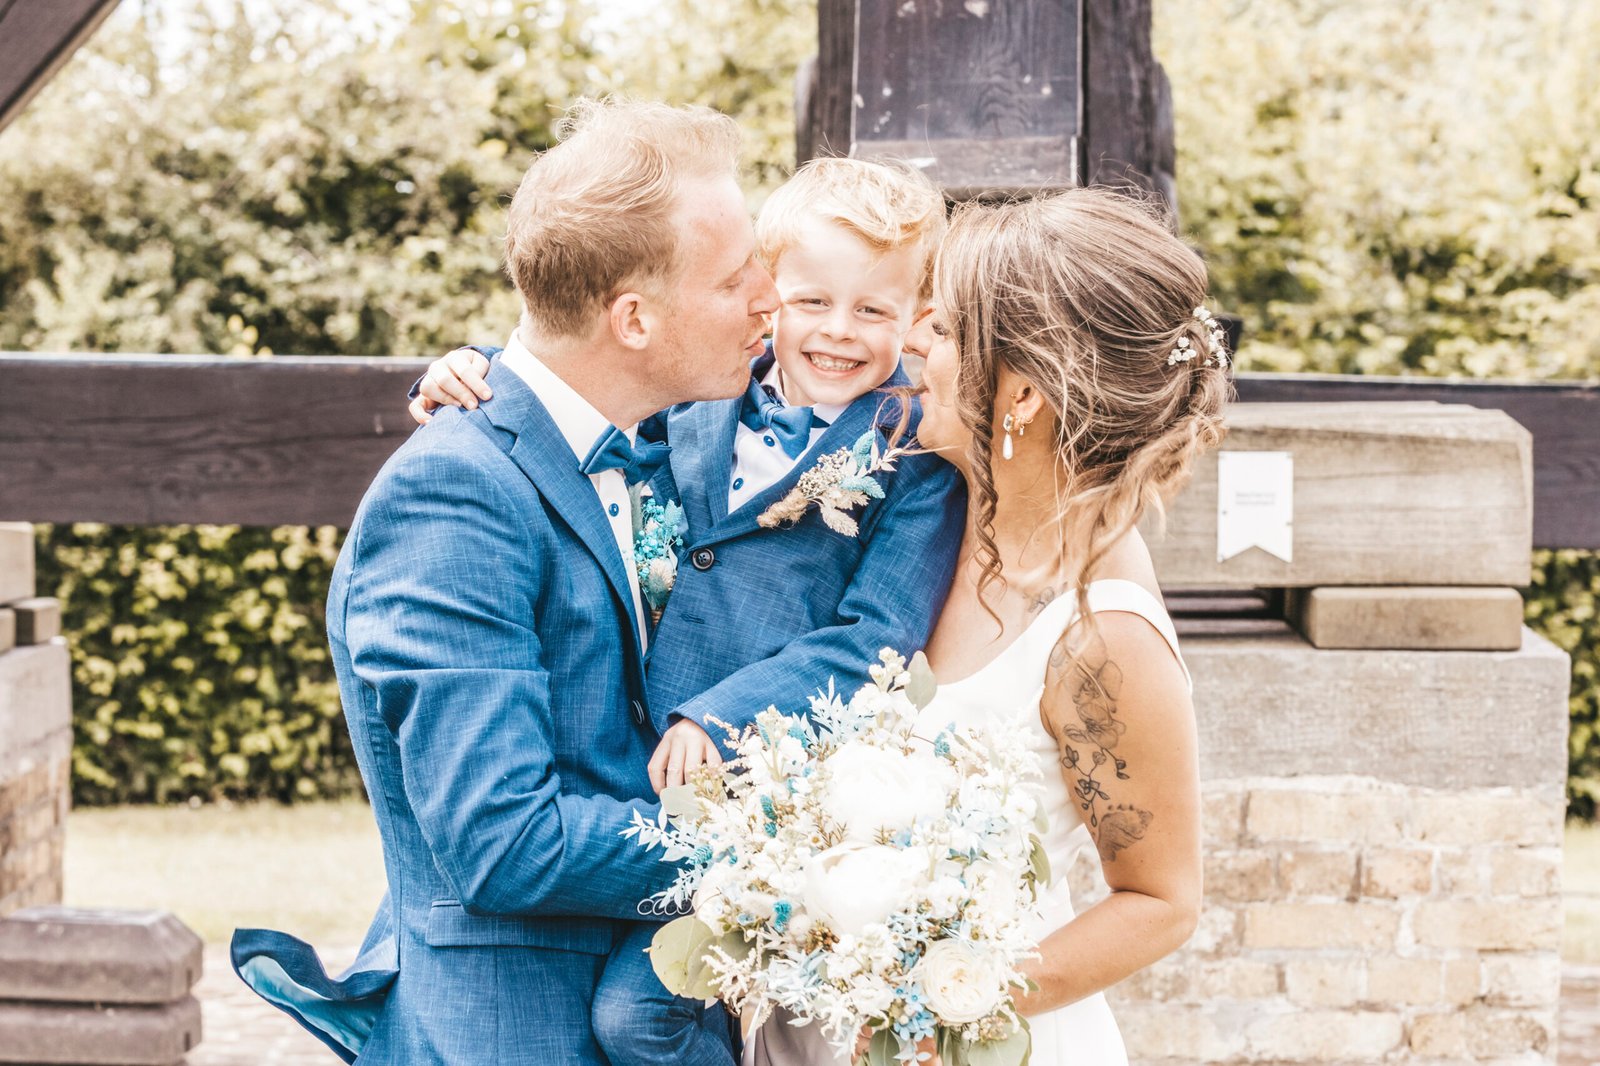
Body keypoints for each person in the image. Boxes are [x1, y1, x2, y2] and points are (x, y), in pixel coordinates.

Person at [229, 97, 782, 1065]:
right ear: (634, 318)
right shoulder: (453, 496)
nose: (770, 299)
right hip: (514, 1031)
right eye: (737, 278)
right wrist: (778, 857)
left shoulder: (654, 438)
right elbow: (505, 841)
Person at [409, 155, 967, 1066]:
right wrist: (471, 373)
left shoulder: (914, 456)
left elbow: (877, 639)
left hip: (759, 793)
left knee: (637, 1017)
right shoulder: (703, 391)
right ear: (768, 297)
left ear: (915, 317)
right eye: (812, 300)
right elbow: (583, 387)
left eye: (874, 309)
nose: (839, 330)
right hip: (616, 767)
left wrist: (725, 715)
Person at [752, 186, 1226, 1065]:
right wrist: (493, 377)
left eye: (943, 327)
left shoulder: (1100, 630)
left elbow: (1162, 901)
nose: (911, 340)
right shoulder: (908, 498)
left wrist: (942, 1002)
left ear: (1023, 395)